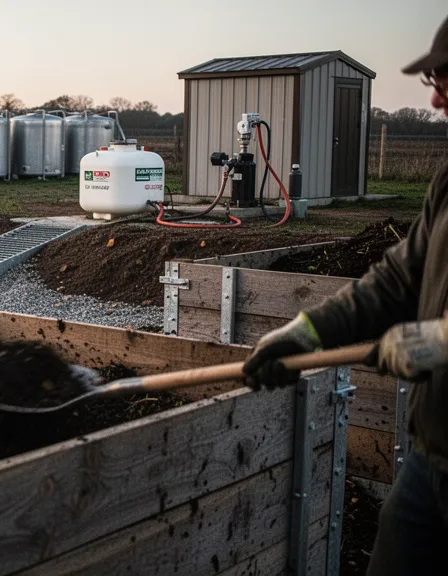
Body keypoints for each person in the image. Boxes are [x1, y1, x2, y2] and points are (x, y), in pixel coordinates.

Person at [243, 14, 448, 575]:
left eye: (445, 83)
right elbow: (399, 279)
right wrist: (308, 331)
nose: (435, 104)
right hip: (434, 457)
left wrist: (442, 340)